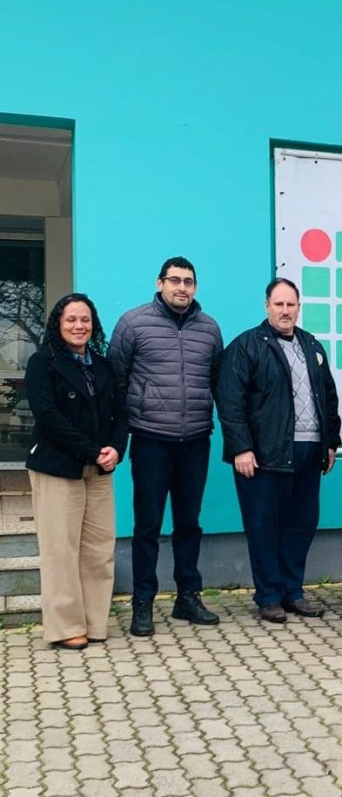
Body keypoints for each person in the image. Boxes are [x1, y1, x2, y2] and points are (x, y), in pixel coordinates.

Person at [109, 256, 223, 637]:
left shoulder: (210, 329)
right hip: (151, 439)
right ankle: (143, 602)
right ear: (159, 283)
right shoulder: (133, 323)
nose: (181, 288)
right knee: (147, 525)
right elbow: (116, 379)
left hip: (195, 440)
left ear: (195, 287)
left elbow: (217, 380)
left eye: (188, 281)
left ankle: (187, 596)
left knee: (189, 524)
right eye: (174, 280)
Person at [216, 278, 341, 623]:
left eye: (291, 304)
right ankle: (269, 596)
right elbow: (230, 400)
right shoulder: (246, 346)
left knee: (301, 525)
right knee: (264, 527)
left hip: (309, 452)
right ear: (266, 306)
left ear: (299, 307)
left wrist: (331, 443)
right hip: (264, 456)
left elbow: (329, 397)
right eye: (279, 304)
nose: (285, 311)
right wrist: (241, 448)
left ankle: (292, 591)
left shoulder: (312, 345)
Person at [25, 294, 128, 650]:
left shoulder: (103, 365)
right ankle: (66, 626)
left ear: (93, 324)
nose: (78, 326)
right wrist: (92, 450)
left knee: (98, 549)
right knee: (61, 549)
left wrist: (117, 447)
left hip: (98, 469)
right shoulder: (43, 363)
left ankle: (95, 622)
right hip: (58, 467)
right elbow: (47, 416)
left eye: (85, 319)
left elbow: (121, 412)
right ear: (58, 324)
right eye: (71, 319)